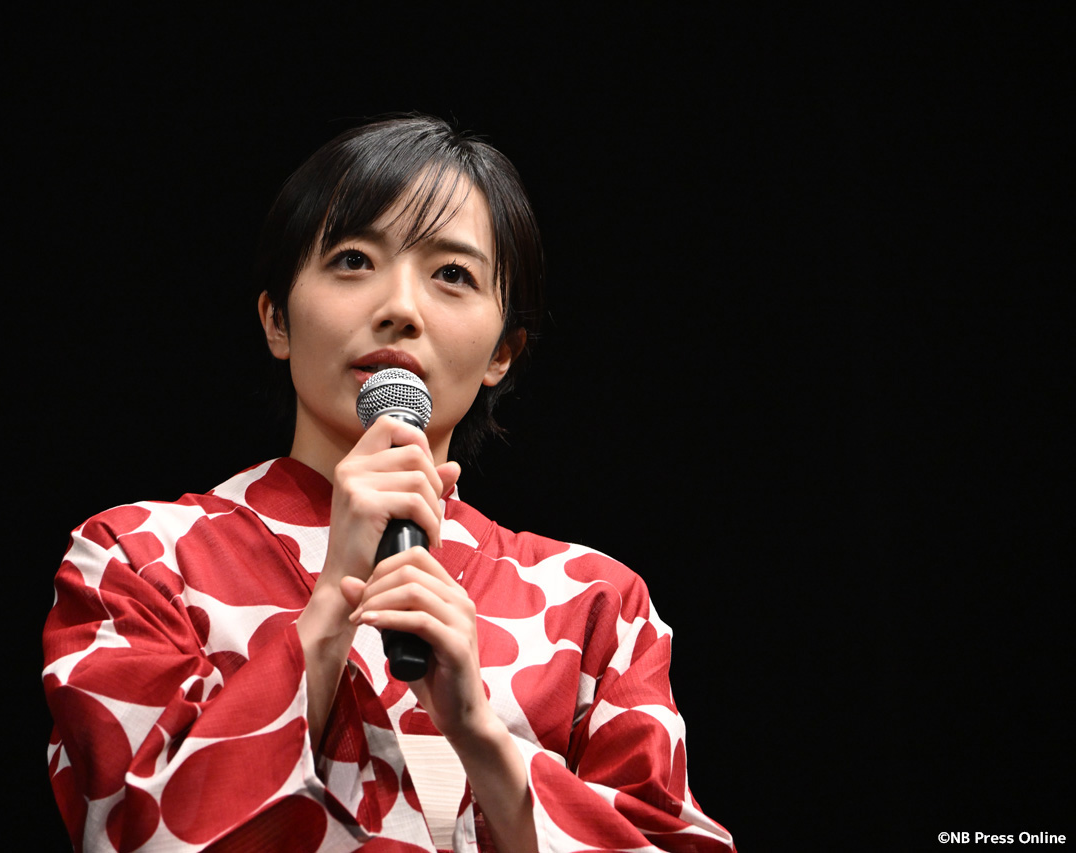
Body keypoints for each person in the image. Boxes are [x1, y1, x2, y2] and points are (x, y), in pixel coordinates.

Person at [43, 114, 736, 853]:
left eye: (453, 275)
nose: (400, 308)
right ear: (276, 320)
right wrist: (325, 618)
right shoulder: (136, 561)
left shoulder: (597, 606)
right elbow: (132, 832)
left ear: (503, 352)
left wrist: (482, 738)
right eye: (352, 260)